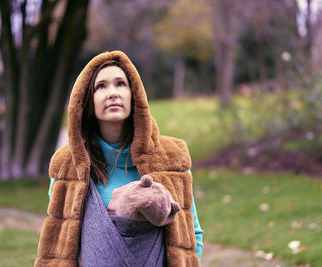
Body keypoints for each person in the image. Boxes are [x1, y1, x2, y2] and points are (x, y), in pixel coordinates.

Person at [35, 51, 203, 266]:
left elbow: (191, 235)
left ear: (135, 94)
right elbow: (60, 243)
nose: (112, 93)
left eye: (120, 84)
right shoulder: (67, 165)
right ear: (87, 100)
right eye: (101, 86)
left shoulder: (171, 157)